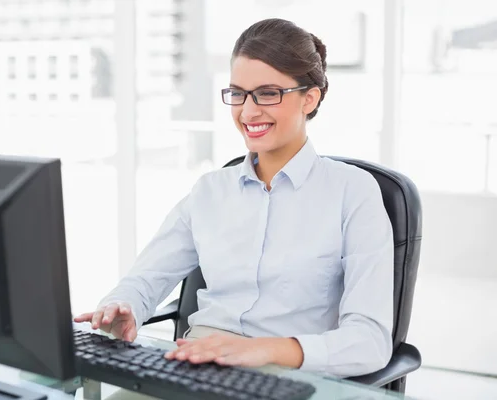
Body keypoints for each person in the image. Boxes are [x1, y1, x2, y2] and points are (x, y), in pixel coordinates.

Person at [75, 18, 394, 378]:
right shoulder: (210, 191)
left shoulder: (353, 192)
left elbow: (370, 341)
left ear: (310, 98)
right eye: (238, 93)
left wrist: (264, 350)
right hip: (199, 366)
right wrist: (124, 305)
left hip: (293, 374)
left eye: (268, 93)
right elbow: (145, 279)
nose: (248, 111)